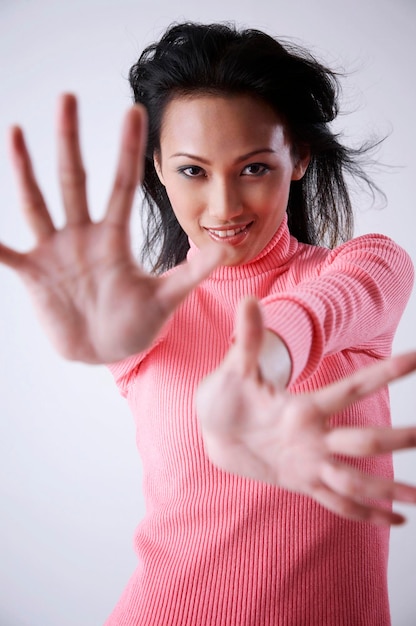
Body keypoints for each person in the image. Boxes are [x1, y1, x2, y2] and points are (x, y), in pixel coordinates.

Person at [2, 21, 416, 626]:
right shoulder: (140, 310)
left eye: (253, 168)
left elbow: (318, 310)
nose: (223, 207)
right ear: (159, 169)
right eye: (193, 171)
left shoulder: (366, 267)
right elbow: (119, 332)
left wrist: (258, 363)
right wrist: (104, 342)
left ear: (297, 157)